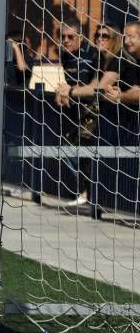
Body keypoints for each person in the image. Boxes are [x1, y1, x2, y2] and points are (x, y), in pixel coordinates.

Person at [55, 22, 122, 206]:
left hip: (108, 115)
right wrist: (65, 91)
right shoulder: (98, 59)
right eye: (97, 35)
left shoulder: (112, 58)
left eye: (105, 36)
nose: (99, 38)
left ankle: (92, 195)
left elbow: (95, 88)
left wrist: (68, 91)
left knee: (92, 153)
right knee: (73, 148)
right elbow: (90, 84)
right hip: (86, 111)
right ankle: (87, 193)